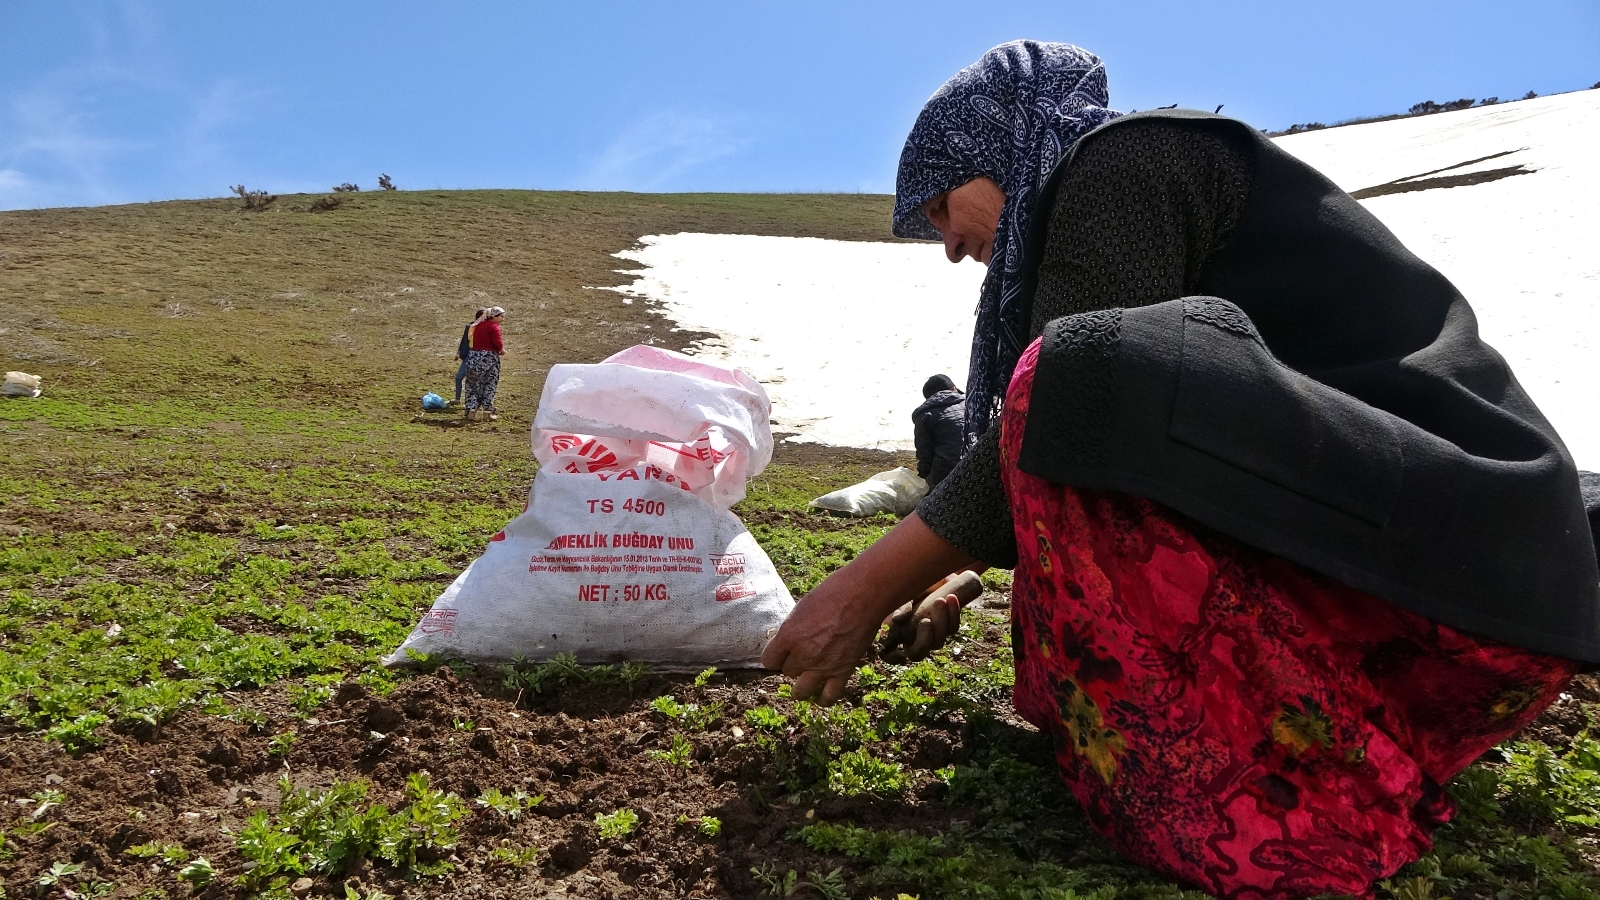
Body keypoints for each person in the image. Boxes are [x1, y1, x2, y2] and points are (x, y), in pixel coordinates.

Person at [761, 40, 1600, 900]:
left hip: (1473, 579)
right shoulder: (1118, 181)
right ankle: (1284, 742)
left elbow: (1069, 406)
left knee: (1077, 367)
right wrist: (958, 578)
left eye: (941, 207)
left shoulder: (1124, 163)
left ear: (999, 150)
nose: (945, 245)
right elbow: (1078, 453)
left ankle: (1277, 811)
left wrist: (856, 593)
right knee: (1076, 378)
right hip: (1464, 582)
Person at [912, 374, 967, 488]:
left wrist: (923, 482)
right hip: (978, 466)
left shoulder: (926, 415)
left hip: (946, 472)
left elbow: (925, 454)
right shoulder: (971, 404)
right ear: (954, 389)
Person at [463, 306, 505, 422]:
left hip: (473, 357)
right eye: (501, 317)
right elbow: (498, 344)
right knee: (489, 384)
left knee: (472, 385)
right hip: (488, 359)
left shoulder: (477, 326)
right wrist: (501, 350)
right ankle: (487, 412)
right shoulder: (494, 327)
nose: (502, 319)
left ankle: (471, 411)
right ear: (494, 316)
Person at [453, 308, 486, 405]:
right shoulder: (470, 327)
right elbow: (464, 341)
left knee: (476, 381)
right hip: (469, 355)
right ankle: (457, 399)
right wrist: (459, 352)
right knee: (459, 377)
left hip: (481, 356)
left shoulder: (486, 329)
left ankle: (476, 403)